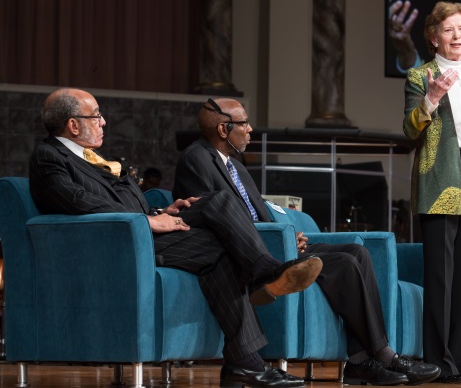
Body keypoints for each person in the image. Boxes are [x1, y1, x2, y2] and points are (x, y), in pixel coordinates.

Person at [28, 88, 325, 388]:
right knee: (223, 246)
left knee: (217, 202)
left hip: (140, 229)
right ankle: (248, 348)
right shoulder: (49, 157)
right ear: (73, 125)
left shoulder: (93, 158)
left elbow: (120, 202)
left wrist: (162, 210)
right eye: (97, 115)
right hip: (120, 242)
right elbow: (77, 200)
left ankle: (249, 339)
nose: (104, 122)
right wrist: (146, 220)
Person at [172, 97, 442, 386]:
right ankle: (376, 358)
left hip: (275, 244)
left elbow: (258, 215)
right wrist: (277, 241)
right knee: (346, 262)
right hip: (253, 254)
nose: (250, 129)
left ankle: (367, 359)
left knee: (358, 253)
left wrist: (288, 235)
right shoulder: (196, 158)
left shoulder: (236, 167)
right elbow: (214, 218)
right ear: (224, 129)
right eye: (244, 123)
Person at [402, 1, 461, 384]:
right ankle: (439, 362)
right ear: (433, 37)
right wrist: (433, 97)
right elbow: (410, 131)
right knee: (440, 277)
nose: (457, 36)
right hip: (439, 179)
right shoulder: (419, 76)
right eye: (448, 30)